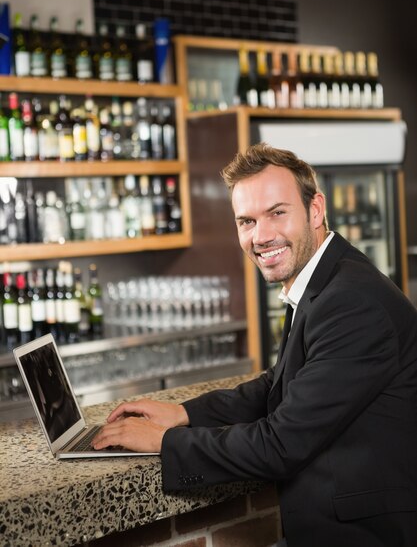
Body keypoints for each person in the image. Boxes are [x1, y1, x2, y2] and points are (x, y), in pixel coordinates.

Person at [92, 142, 417, 547]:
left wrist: (164, 442)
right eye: (246, 221)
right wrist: (182, 413)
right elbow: (277, 386)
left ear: (315, 209)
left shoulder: (351, 301)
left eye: (277, 213)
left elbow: (281, 444)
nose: (261, 236)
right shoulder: (324, 279)